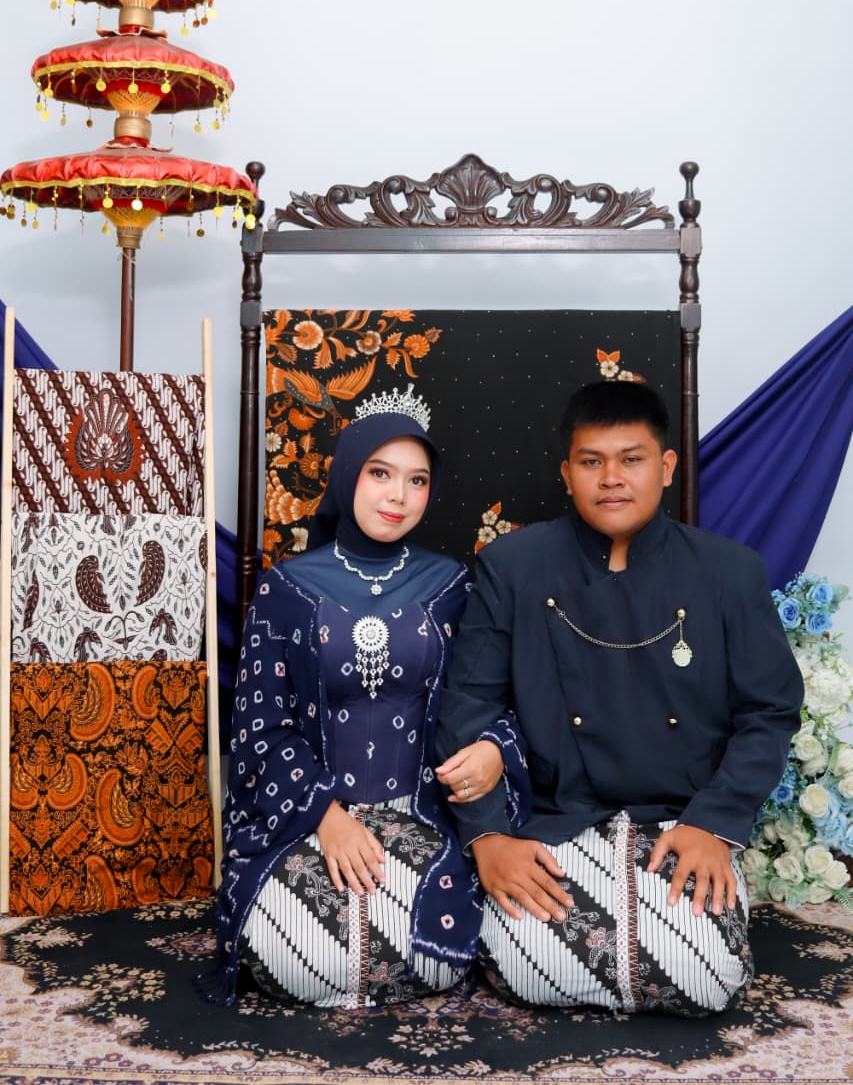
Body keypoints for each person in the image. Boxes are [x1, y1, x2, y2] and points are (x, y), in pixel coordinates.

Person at [434, 380, 804, 1017]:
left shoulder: (729, 571)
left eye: (631, 459)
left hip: (683, 819)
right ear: (566, 474)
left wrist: (716, 822)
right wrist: (488, 836)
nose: (611, 478)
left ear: (666, 467)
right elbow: (469, 704)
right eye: (591, 461)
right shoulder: (513, 565)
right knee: (527, 971)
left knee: (705, 977)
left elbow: (769, 711)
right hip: (554, 818)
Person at [207, 386, 512, 1009]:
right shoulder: (286, 588)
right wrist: (327, 817)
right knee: (289, 955)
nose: (398, 496)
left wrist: (494, 748)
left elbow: (494, 698)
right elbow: (259, 728)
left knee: (451, 946)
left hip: (424, 815)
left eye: (417, 480)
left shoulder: (452, 584)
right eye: (380, 473)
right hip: (308, 817)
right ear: (348, 474)